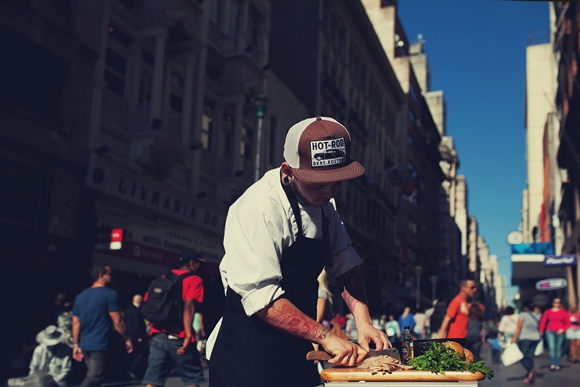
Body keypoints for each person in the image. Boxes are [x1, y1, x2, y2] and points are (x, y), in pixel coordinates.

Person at [206, 116, 390, 387]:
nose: (329, 192)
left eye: (337, 182)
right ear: (287, 170)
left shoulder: (326, 205)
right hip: (248, 354)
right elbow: (262, 298)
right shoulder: (258, 208)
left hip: (299, 349)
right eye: (318, 184)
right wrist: (326, 336)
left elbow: (345, 263)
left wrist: (363, 323)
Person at [142, 248, 206, 387]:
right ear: (191, 263)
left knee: (153, 380)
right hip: (180, 336)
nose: (200, 266)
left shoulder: (164, 278)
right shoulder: (194, 280)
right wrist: (188, 337)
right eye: (198, 263)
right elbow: (189, 307)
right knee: (191, 379)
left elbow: (148, 305)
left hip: (157, 335)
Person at [72, 263, 133, 387]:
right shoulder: (110, 294)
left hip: (85, 343)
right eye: (109, 274)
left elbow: (76, 323)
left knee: (95, 378)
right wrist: (127, 338)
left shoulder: (80, 297)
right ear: (101, 276)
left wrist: (76, 345)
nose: (112, 276)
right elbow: (117, 321)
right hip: (99, 343)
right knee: (94, 377)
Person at [7, 325, 72, 387]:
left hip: (57, 382)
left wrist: (51, 382)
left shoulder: (65, 351)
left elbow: (66, 371)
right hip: (39, 380)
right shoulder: (39, 350)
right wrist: (33, 380)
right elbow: (33, 368)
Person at [511, 300, 541, 383]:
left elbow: (519, 327)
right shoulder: (538, 315)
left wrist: (514, 338)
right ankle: (529, 374)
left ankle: (530, 370)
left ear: (525, 307)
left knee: (522, 356)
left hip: (525, 338)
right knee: (530, 356)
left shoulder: (523, 315)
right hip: (536, 338)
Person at [539, 297, 571, 371]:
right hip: (549, 331)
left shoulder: (563, 312)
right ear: (552, 303)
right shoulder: (548, 311)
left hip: (560, 332)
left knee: (558, 348)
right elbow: (543, 321)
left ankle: (557, 364)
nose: (557, 304)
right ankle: (552, 364)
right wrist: (541, 330)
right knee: (552, 348)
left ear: (560, 304)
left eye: (558, 302)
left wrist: (563, 329)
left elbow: (568, 323)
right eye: (555, 302)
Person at [123, 294, 148, 380]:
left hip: (129, 335)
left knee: (131, 353)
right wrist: (139, 336)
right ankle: (133, 369)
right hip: (137, 336)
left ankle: (127, 369)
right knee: (140, 352)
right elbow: (138, 325)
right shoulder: (137, 311)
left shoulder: (127, 310)